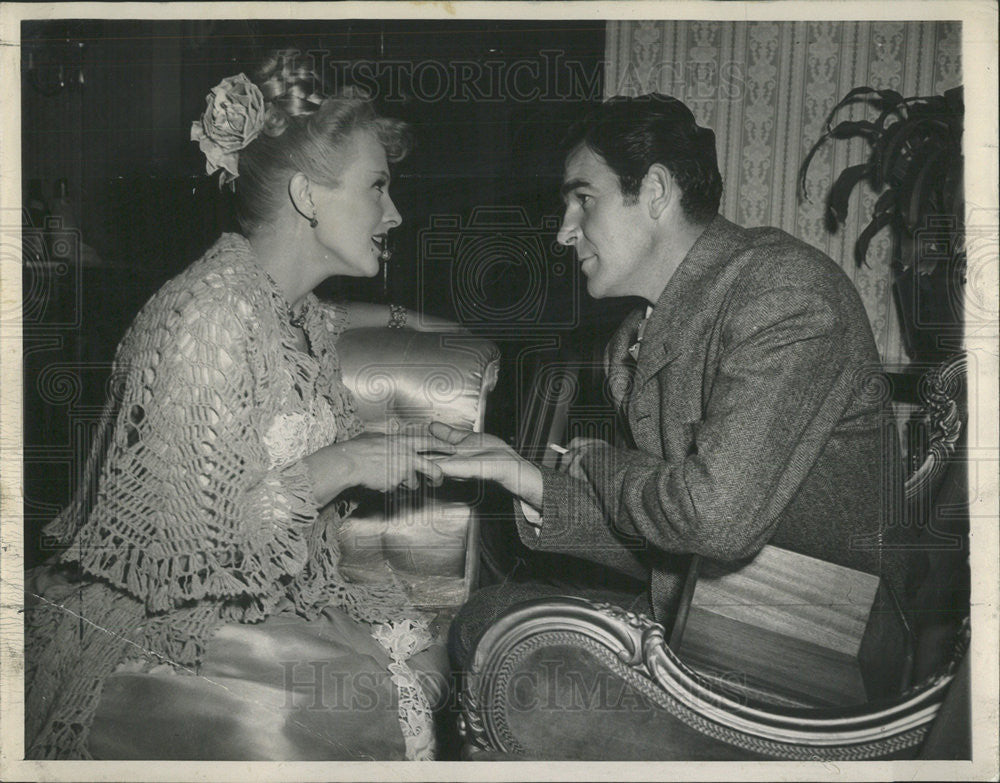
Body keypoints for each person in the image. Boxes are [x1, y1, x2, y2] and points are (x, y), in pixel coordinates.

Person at [25, 55, 461, 760]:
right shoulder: (208, 318)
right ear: (307, 196)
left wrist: (417, 411)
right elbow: (190, 548)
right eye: (378, 186)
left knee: (429, 657)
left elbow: (343, 327)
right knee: (367, 700)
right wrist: (345, 461)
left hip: (268, 591)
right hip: (166, 615)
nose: (395, 212)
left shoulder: (286, 308)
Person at [431, 94, 912, 668]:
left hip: (814, 659)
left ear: (656, 191)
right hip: (720, 620)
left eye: (584, 200)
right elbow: (668, 549)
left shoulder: (785, 292)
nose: (565, 232)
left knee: (494, 636)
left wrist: (599, 462)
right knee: (486, 619)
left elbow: (709, 521)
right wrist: (525, 477)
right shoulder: (640, 332)